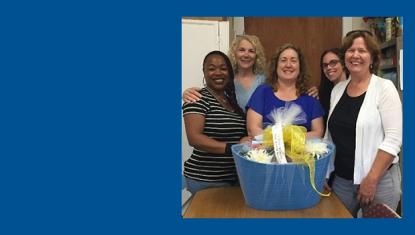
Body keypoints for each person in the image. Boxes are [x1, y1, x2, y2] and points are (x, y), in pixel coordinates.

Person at [324, 30, 402, 217]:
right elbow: (329, 136)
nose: (355, 55)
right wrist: (325, 173)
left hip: (379, 181)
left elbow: (394, 139)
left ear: (372, 57)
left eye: (362, 50)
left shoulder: (384, 88)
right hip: (342, 181)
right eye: (350, 50)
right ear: (345, 57)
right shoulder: (338, 90)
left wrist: (371, 180)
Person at [182, 35, 319, 112]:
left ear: (257, 55)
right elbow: (211, 93)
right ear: (234, 53)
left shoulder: (266, 81)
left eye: (251, 51)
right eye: (242, 50)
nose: (246, 55)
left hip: (258, 138)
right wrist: (187, 93)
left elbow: (289, 88)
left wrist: (309, 90)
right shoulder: (224, 80)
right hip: (231, 136)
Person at [182, 51, 251, 195]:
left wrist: (244, 140)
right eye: (212, 68)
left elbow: (238, 135)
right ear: (204, 72)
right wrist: (233, 148)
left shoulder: (231, 101)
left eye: (223, 68)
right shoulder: (197, 98)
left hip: (234, 179)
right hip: (206, 180)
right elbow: (195, 139)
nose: (218, 73)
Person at [246, 43, 324, 138]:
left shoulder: (311, 97)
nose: (288, 65)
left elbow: (318, 132)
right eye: (283, 60)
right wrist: (278, 141)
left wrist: (290, 140)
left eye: (293, 61)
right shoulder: (262, 92)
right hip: (265, 152)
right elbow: (252, 129)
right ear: (276, 65)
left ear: (300, 67)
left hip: (302, 152)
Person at [318, 48, 348, 124]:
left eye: (333, 62)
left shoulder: (354, 89)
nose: (328, 67)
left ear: (343, 64)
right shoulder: (323, 93)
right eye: (325, 65)